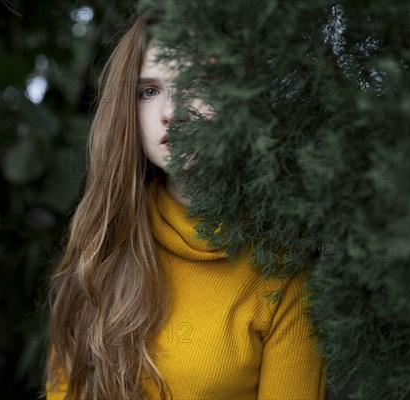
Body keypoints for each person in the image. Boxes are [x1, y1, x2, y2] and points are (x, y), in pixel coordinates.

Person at [45, 10, 327, 400]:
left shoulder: (282, 266)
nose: (172, 113)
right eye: (149, 91)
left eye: (197, 83)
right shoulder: (103, 240)